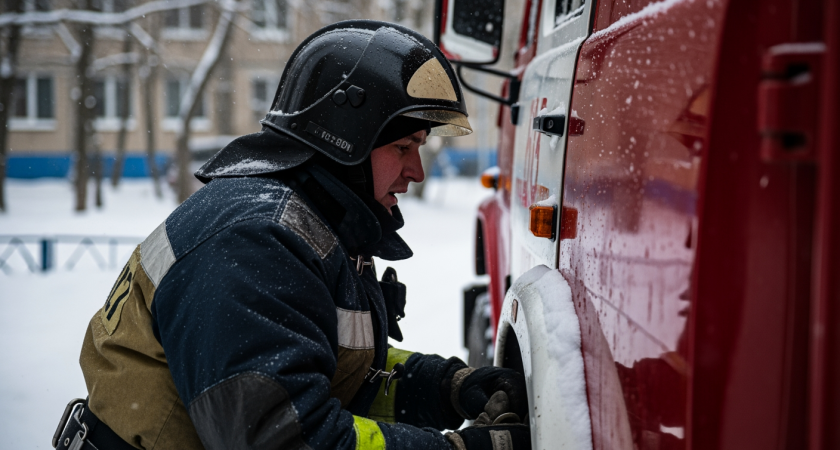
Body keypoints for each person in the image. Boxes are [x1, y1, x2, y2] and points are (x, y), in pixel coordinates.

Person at [52, 21, 531, 450]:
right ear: (344, 141)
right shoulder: (251, 244)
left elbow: (325, 374)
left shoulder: (303, 226)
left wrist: (443, 387)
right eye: (403, 146)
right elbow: (282, 437)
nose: (416, 172)